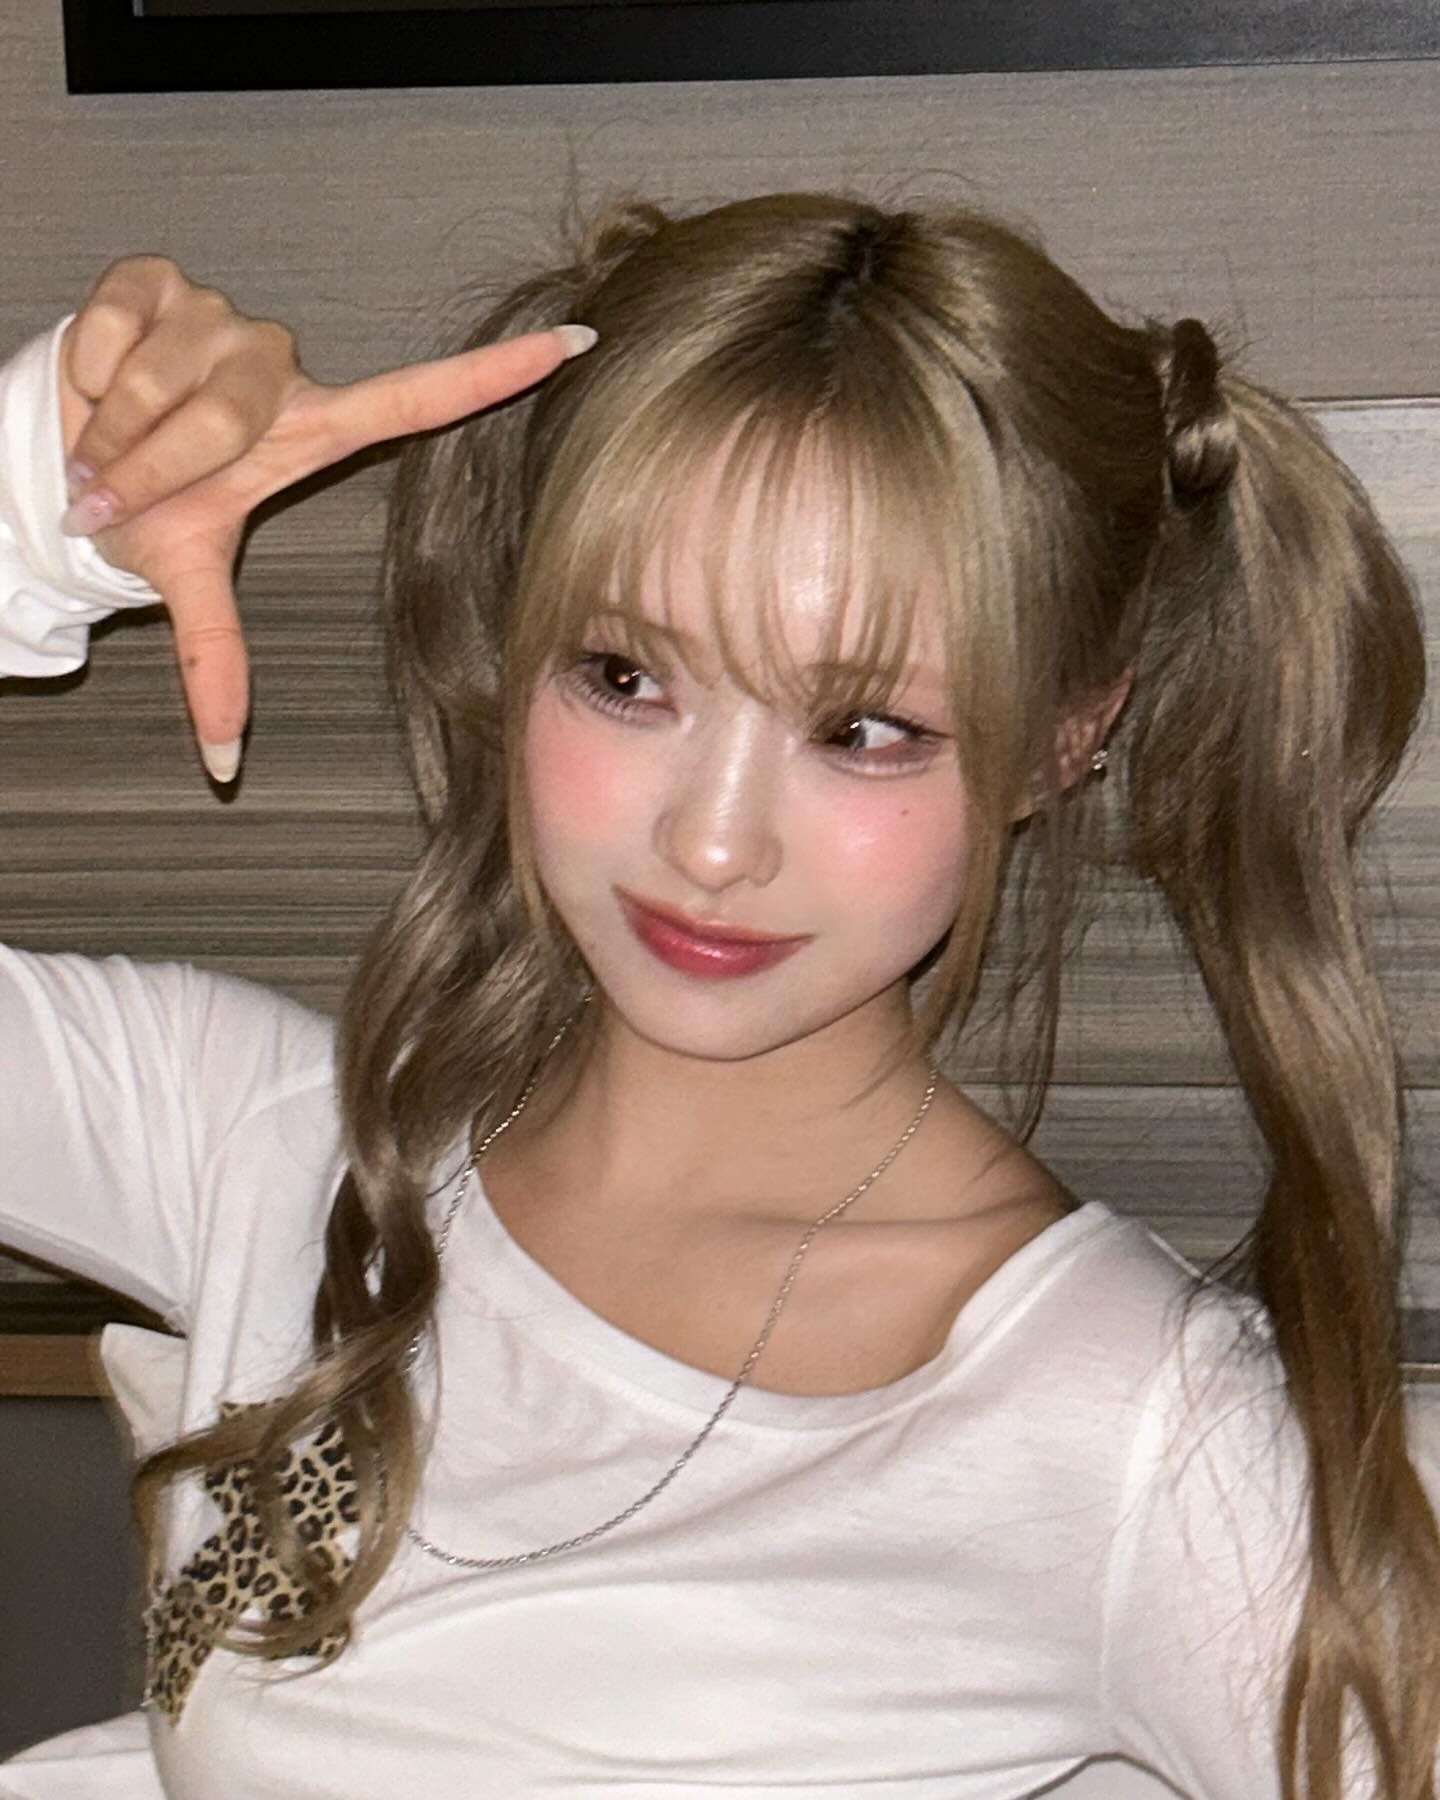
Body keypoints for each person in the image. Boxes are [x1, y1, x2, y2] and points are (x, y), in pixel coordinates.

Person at [0, 193, 1435, 1800]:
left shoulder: (1128, 1432)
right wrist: (27, 512)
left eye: (865, 729)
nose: (713, 841)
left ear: (1061, 736)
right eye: (627, 677)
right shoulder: (266, 1150)